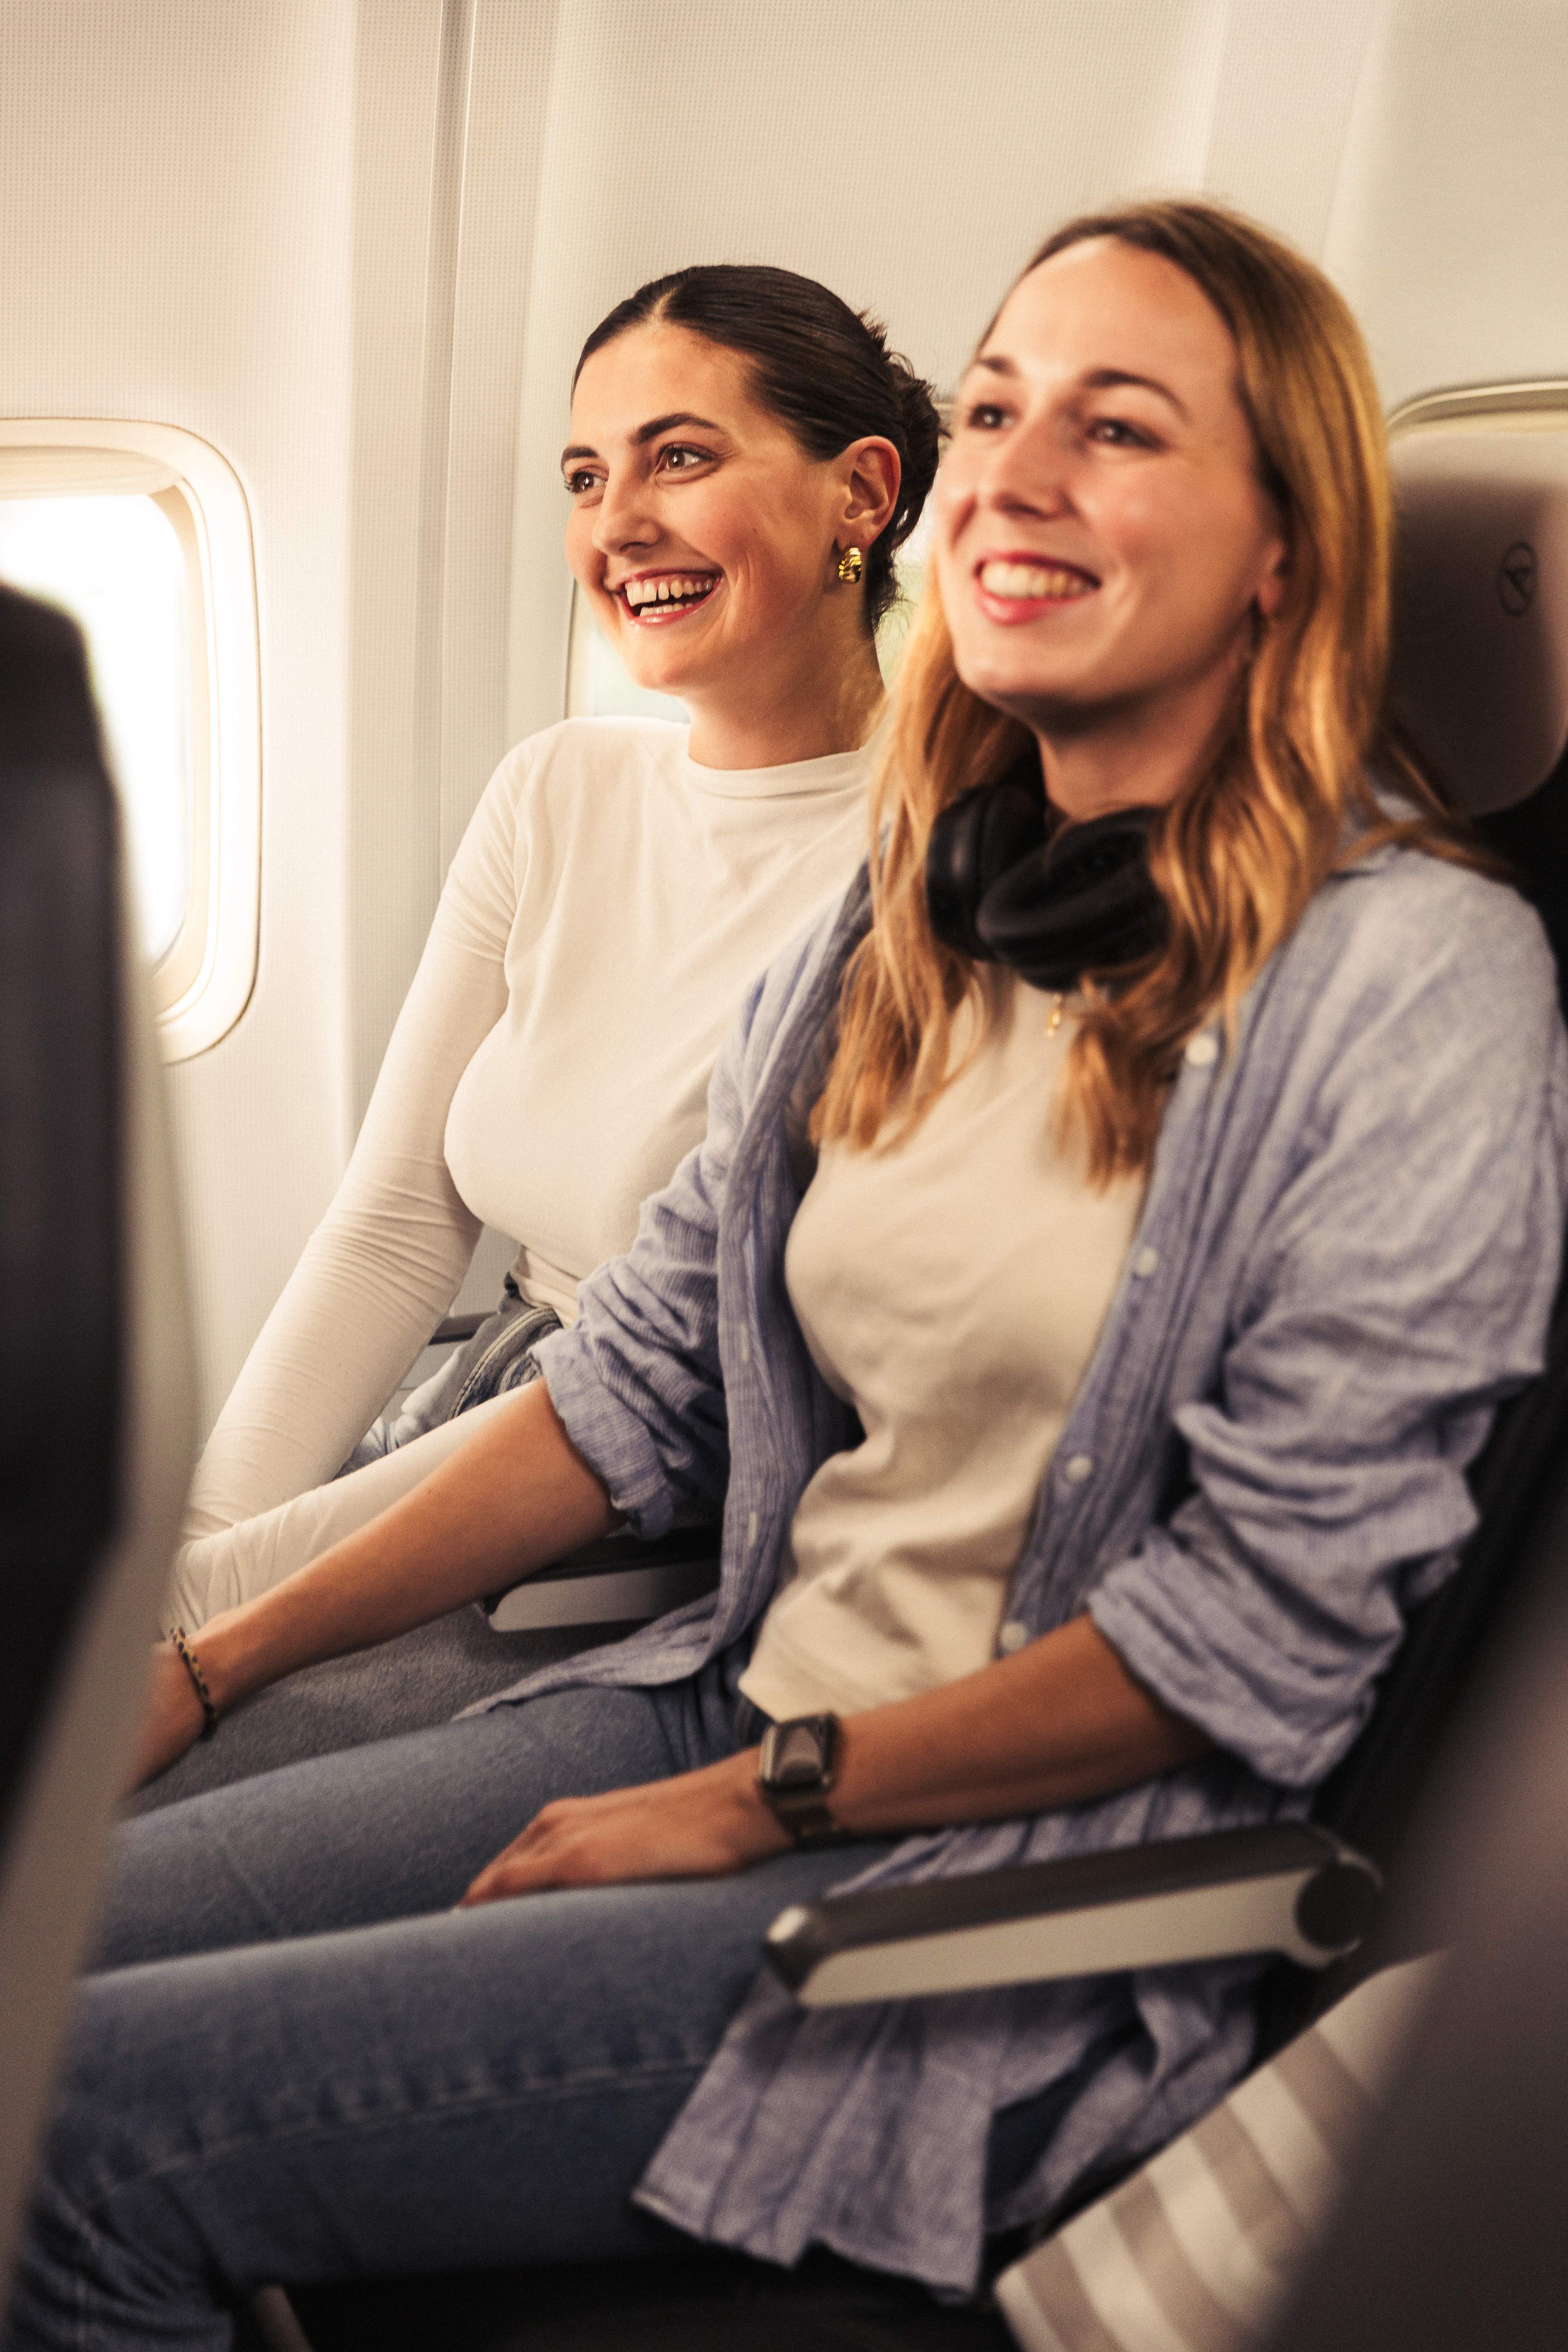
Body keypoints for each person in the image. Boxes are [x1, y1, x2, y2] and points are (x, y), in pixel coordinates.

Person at [10, 199, 1566, 2347]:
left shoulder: (1416, 984)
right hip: (742, 1692)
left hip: (1013, 1899)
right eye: (1001, 406)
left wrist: (748, 1806)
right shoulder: (922, 911)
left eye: (1115, 430)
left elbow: (1257, 1644)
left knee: (63, 2138)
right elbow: (633, 1383)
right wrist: (208, 1657)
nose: (1013, 470)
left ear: (1286, 542)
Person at [149, 263, 940, 1793]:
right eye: (587, 475)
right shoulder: (560, 785)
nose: (615, 523)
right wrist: (198, 1557)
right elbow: (392, 1226)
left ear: (863, 494)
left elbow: (681, 1375)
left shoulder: (930, 864)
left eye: (681, 457)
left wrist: (198, 1631)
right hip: (453, 1413)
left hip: (631, 1530)